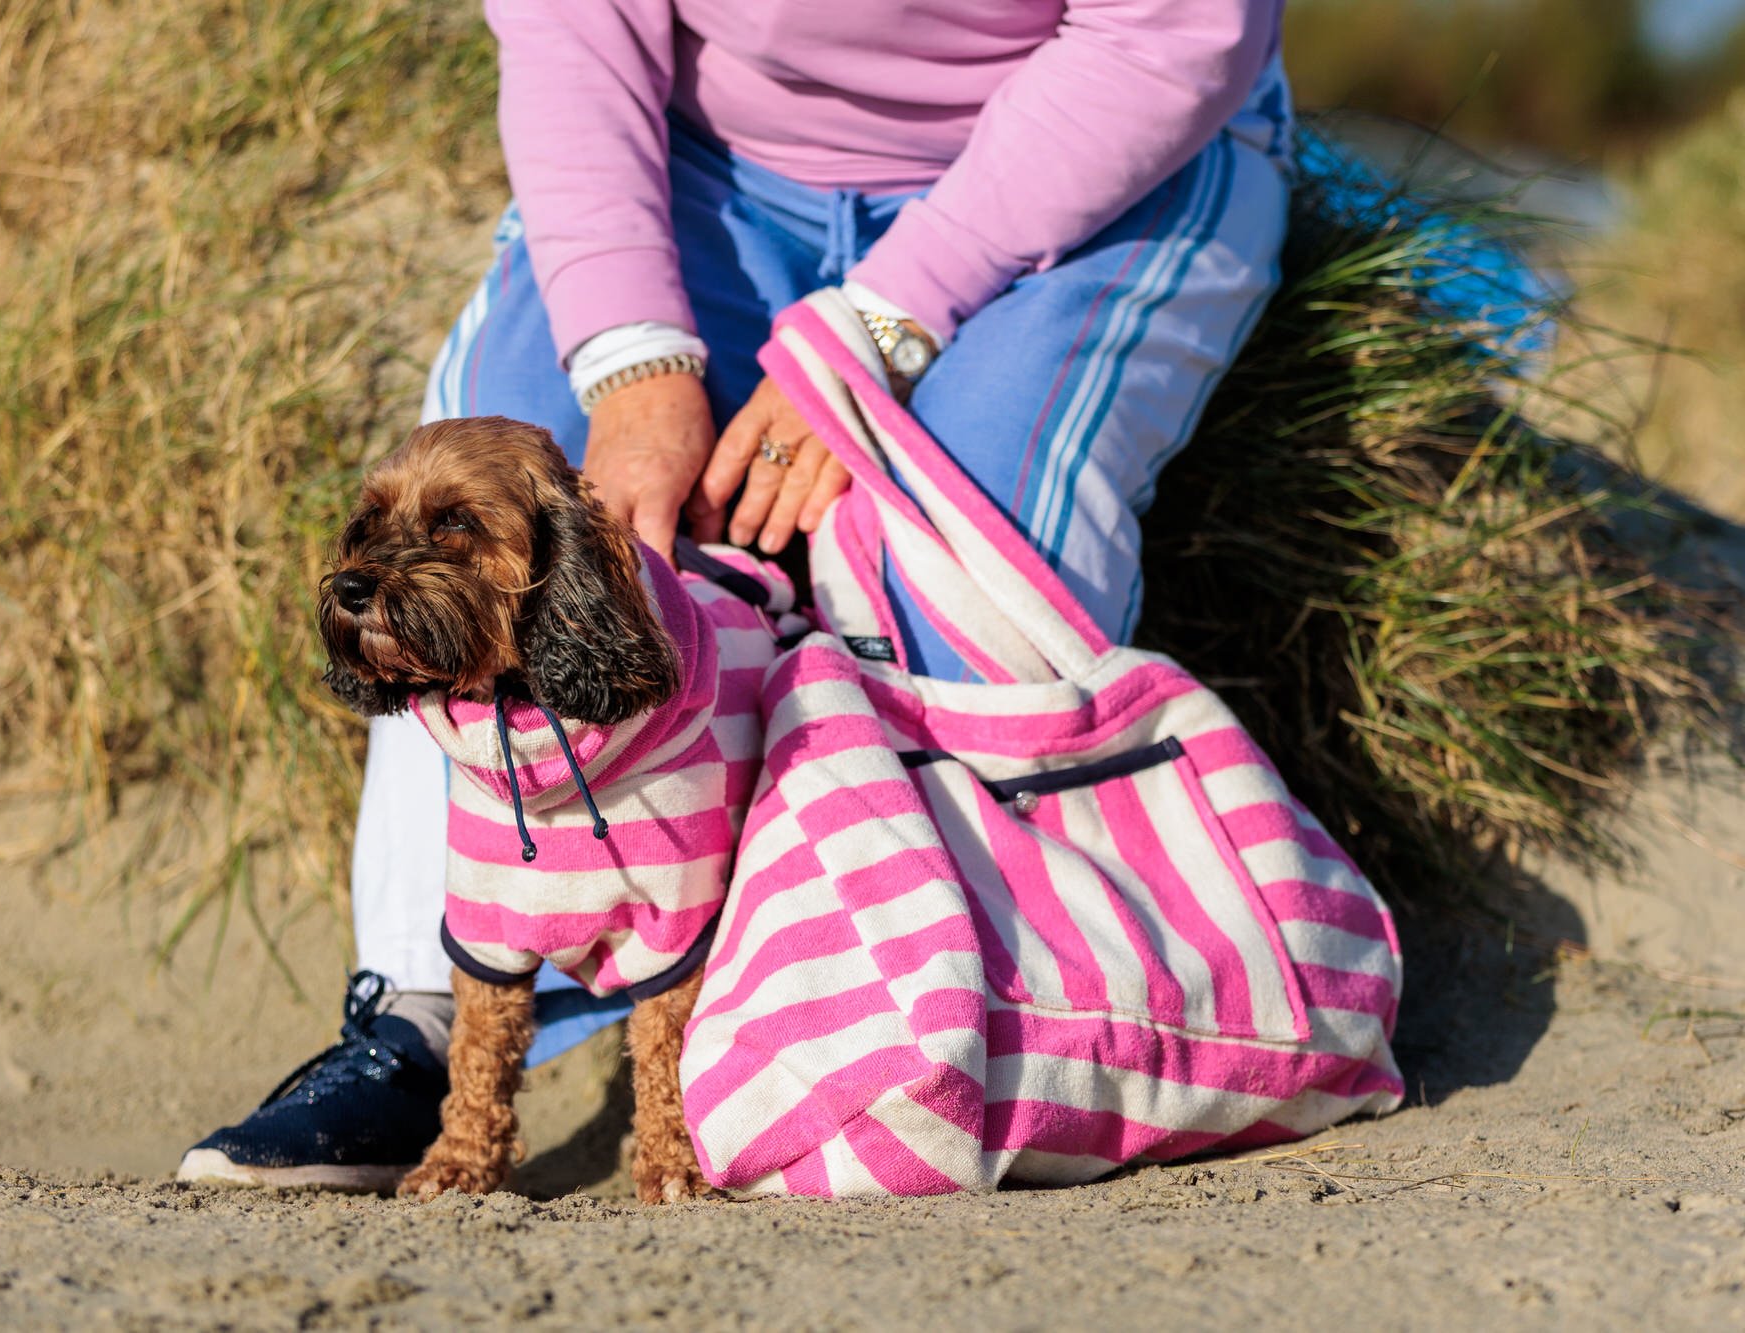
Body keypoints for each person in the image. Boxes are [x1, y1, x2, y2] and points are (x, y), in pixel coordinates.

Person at [178, 0, 1294, 1190]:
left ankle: (983, 1004)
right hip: (705, 161)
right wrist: (631, 361)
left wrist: (883, 327)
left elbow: (1172, 35)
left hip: (1099, 162)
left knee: (967, 546)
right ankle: (419, 1013)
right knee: (490, 474)